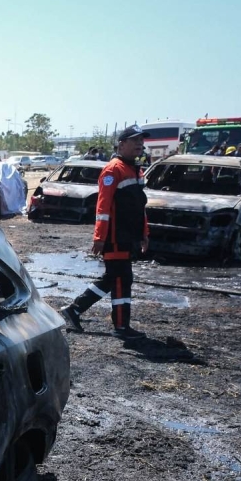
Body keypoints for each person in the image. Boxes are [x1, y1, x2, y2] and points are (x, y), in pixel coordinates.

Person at [60, 126, 150, 339]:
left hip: (129, 236)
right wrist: (100, 238)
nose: (140, 144)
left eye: (141, 140)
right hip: (114, 236)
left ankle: (74, 310)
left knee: (115, 278)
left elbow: (140, 208)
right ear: (121, 144)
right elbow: (103, 207)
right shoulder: (113, 170)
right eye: (134, 140)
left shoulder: (136, 170)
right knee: (120, 278)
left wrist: (144, 234)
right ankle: (120, 326)